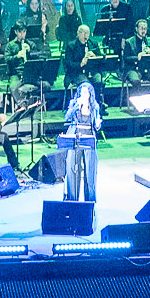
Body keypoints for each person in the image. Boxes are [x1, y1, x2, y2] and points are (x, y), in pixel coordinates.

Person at [61, 78, 103, 206]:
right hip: (75, 137)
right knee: (73, 168)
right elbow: (66, 117)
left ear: (90, 94)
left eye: (86, 93)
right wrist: (75, 107)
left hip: (89, 138)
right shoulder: (74, 103)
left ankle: (90, 201)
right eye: (81, 93)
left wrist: (98, 124)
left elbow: (96, 125)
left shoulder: (94, 106)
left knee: (90, 170)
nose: (84, 95)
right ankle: (72, 199)